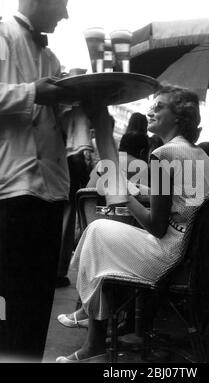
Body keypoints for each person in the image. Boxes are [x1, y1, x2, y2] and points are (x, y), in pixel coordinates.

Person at [56, 85, 209, 362]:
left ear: (179, 117)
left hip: (169, 257)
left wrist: (124, 194)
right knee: (104, 239)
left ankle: (92, 337)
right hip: (194, 258)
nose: (151, 111)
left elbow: (155, 226)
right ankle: (90, 315)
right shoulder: (198, 154)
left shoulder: (162, 154)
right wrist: (139, 189)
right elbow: (182, 198)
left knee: (96, 230)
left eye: (160, 107)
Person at [0, 0, 74, 362]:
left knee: (37, 303)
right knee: (8, 302)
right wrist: (33, 93)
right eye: (62, 4)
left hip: (49, 190)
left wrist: (74, 103)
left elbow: (56, 126)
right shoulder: (1, 34)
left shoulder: (52, 60)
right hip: (10, 189)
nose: (65, 15)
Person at [56, 107, 94, 288]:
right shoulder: (77, 115)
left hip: (56, 177)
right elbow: (79, 159)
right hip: (68, 183)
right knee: (66, 224)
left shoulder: (60, 113)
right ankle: (58, 272)